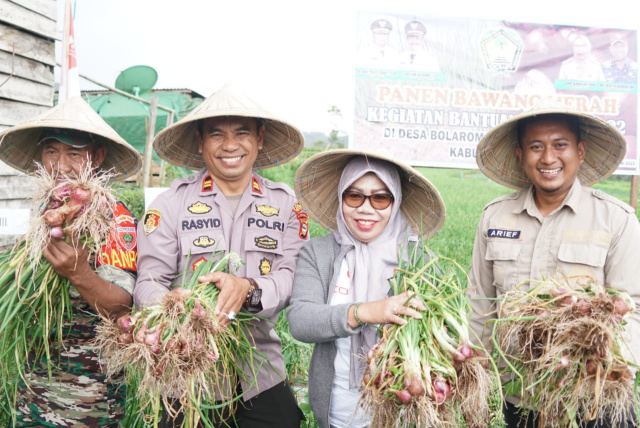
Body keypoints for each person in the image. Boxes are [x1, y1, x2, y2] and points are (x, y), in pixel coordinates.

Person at [134, 83, 308, 427]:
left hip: (259, 369)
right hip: (185, 370)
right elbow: (147, 282)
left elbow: (291, 275)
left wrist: (249, 289)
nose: (230, 145)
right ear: (200, 142)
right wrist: (171, 304)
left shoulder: (285, 203)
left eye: (242, 133)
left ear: (259, 138)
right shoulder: (169, 205)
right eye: (216, 135)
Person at [471, 101, 640, 427]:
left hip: (593, 399)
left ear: (580, 150)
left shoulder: (616, 220)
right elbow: (479, 303)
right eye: (536, 146)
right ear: (521, 155)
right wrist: (474, 373)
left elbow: (633, 307)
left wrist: (611, 367)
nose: (548, 158)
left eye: (560, 145)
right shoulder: (495, 216)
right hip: (519, 396)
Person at [0, 96, 142, 426]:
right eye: (52, 151)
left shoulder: (114, 218)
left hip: (88, 396)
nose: (61, 165)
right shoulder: (39, 212)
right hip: (33, 388)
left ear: (97, 156)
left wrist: (80, 274)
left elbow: (124, 309)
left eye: (74, 153)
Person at [286, 149, 446, 428]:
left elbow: (439, 334)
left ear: (395, 203)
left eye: (381, 198)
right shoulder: (319, 253)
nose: (366, 208)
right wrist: (366, 312)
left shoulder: (417, 259)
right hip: (340, 411)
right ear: (341, 198)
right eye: (354, 195)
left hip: (402, 413)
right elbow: (300, 320)